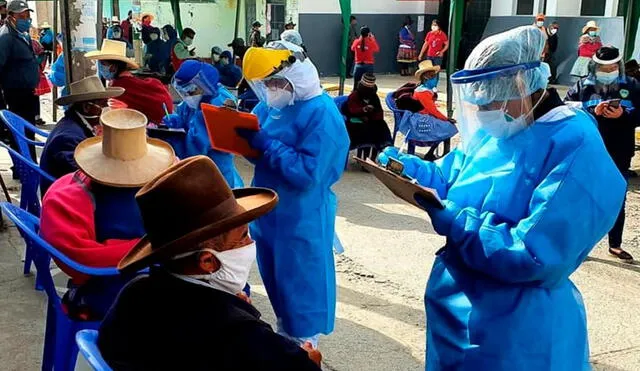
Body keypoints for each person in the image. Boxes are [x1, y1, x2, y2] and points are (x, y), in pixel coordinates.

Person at [377, 25, 626, 370]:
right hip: (458, 317)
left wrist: (455, 220)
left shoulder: (574, 144)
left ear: (521, 85)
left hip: (516, 332)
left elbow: (536, 255)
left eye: (489, 99)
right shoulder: (508, 126)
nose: (482, 111)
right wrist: (409, 169)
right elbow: (456, 175)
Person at [97, 156, 322, 370]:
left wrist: (234, 307)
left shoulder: (134, 292)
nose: (250, 242)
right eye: (243, 236)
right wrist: (309, 361)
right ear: (207, 261)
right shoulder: (241, 333)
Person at [238, 42, 350, 347]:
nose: (271, 89)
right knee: (277, 287)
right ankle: (287, 345)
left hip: (302, 218)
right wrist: (242, 138)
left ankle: (303, 351)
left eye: (275, 82)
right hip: (268, 214)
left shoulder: (321, 114)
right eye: (267, 83)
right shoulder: (271, 105)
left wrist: (266, 146)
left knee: (302, 296)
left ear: (297, 76)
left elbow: (308, 174)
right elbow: (261, 152)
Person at [40, 108, 175, 320]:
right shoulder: (68, 196)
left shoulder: (161, 185)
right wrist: (153, 248)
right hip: (107, 294)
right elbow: (79, 262)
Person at [565, 46, 640, 261]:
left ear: (619, 67)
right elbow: (566, 111)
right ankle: (576, 243)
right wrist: (590, 112)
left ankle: (615, 244)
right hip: (588, 150)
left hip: (620, 151)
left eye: (613, 67)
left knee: (617, 197)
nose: (608, 71)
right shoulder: (582, 87)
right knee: (581, 197)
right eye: (603, 68)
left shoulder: (633, 87)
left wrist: (623, 115)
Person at [162, 60, 243, 188]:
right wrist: (177, 120)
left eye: (189, 90)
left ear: (204, 86)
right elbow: (185, 113)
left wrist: (173, 143)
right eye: (182, 91)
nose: (186, 95)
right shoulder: (197, 99)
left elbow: (195, 151)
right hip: (201, 171)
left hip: (215, 175)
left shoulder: (218, 109)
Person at [40, 76, 124, 194]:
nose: (107, 109)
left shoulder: (77, 123)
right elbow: (84, 177)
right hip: (66, 197)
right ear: (87, 107)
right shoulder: (68, 138)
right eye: (103, 104)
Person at [85, 39, 174, 125]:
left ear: (113, 67)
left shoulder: (118, 88)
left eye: (103, 64)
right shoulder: (137, 82)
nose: (101, 68)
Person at [0, 0, 40, 162]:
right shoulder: (5, 37)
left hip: (28, 92)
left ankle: (29, 163)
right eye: (21, 16)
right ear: (11, 17)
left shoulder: (21, 35)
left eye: (28, 15)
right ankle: (22, 166)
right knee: (19, 133)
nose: (26, 19)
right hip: (16, 94)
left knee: (29, 132)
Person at [341, 72, 391, 155]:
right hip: (353, 120)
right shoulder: (354, 95)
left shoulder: (374, 97)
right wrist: (363, 110)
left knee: (381, 126)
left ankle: (378, 152)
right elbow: (352, 110)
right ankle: (364, 154)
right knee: (363, 129)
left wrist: (372, 111)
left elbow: (379, 112)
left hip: (370, 120)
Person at [418, 19, 448, 86]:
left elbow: (447, 44)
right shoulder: (429, 34)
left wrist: (442, 51)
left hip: (438, 56)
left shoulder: (442, 34)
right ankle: (428, 84)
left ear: (439, 26)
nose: (433, 27)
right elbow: (425, 44)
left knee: (436, 71)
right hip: (429, 55)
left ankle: (434, 85)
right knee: (428, 71)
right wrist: (421, 54)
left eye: (435, 25)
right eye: (433, 25)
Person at [350, 26, 379, 91]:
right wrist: (372, 39)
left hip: (358, 65)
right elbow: (377, 49)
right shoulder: (370, 42)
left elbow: (352, 48)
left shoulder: (356, 41)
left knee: (356, 85)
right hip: (368, 65)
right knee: (368, 85)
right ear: (369, 34)